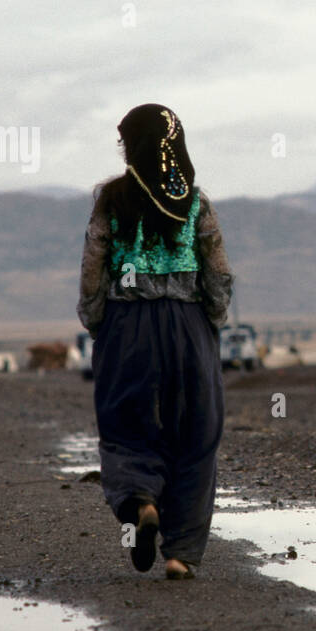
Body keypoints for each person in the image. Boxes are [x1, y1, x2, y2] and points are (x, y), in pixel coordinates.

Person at [77, 104, 234, 580]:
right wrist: (212, 319)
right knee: (196, 432)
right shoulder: (196, 202)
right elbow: (218, 271)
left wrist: (97, 319)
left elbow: (93, 265)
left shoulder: (111, 199)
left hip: (128, 329)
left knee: (127, 426)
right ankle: (180, 553)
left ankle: (142, 501)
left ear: (132, 146)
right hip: (187, 327)